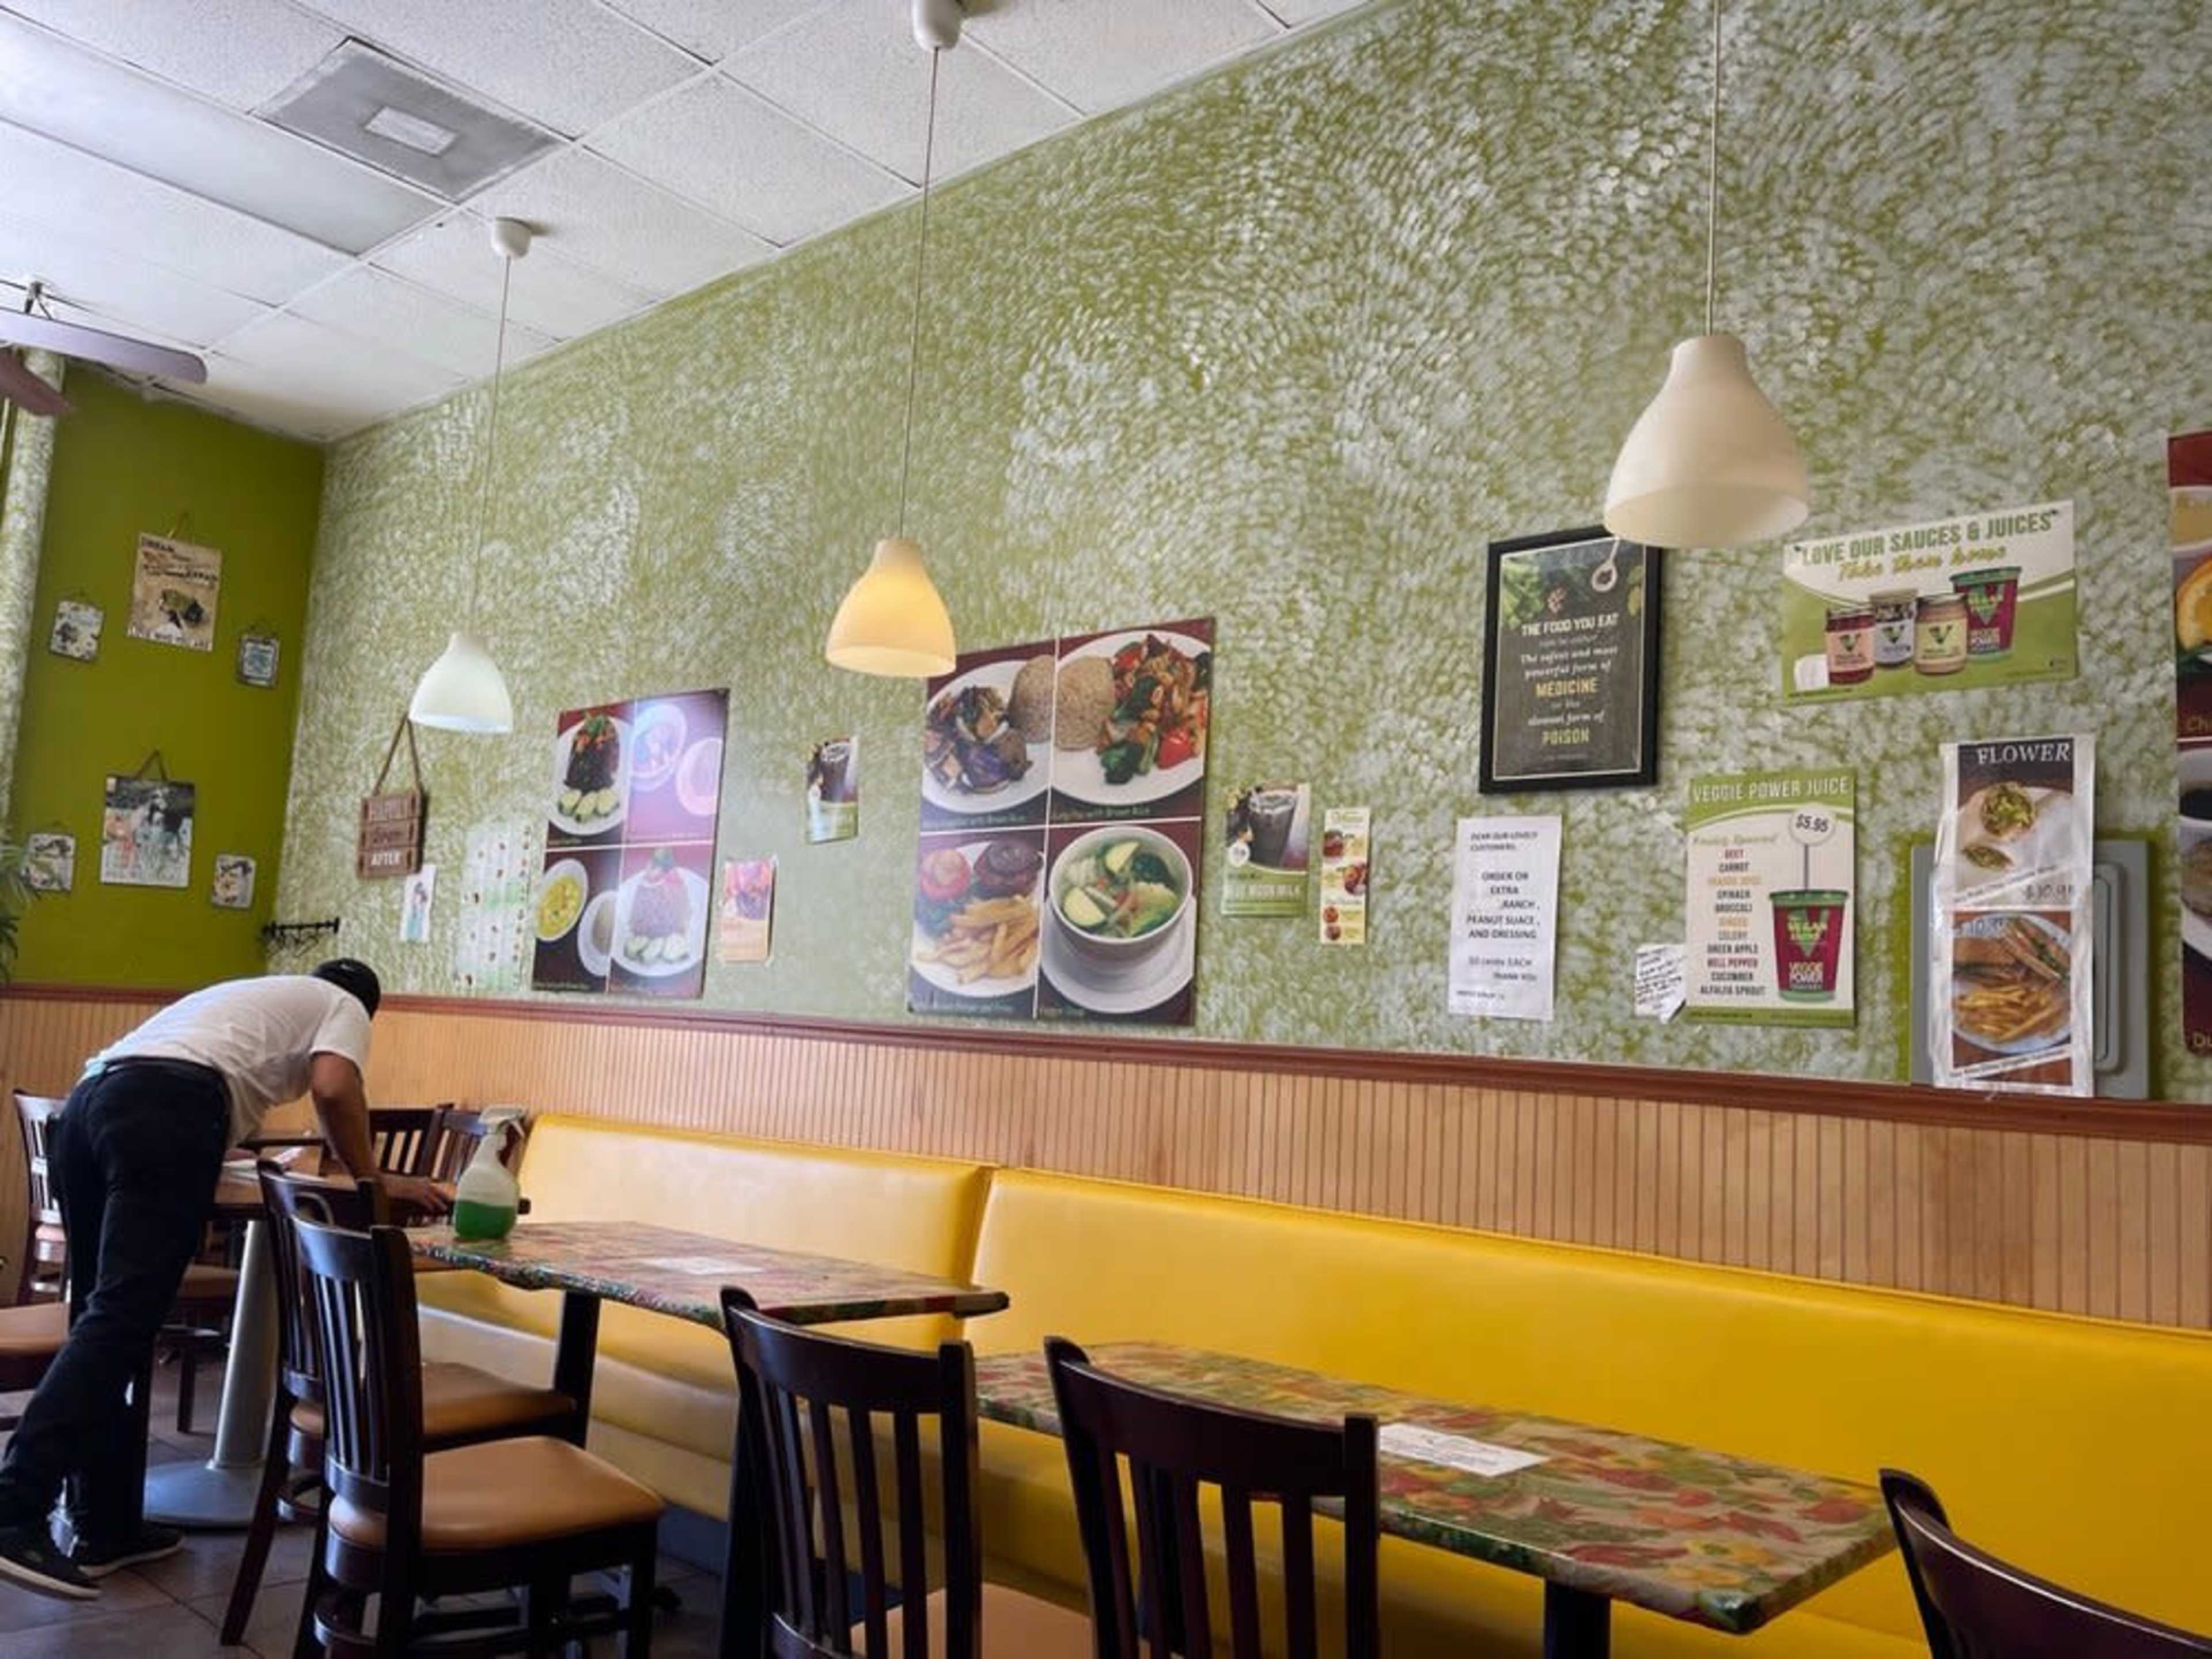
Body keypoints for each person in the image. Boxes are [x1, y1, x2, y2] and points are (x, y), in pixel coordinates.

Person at [0, 960, 449, 1600]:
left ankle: (105, 1523)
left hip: (90, 1103)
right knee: (123, 1319)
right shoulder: (342, 1004)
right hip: (165, 1109)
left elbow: (179, 1081)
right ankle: (15, 1507)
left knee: (103, 1320)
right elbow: (332, 1085)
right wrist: (370, 1178)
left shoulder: (250, 998)